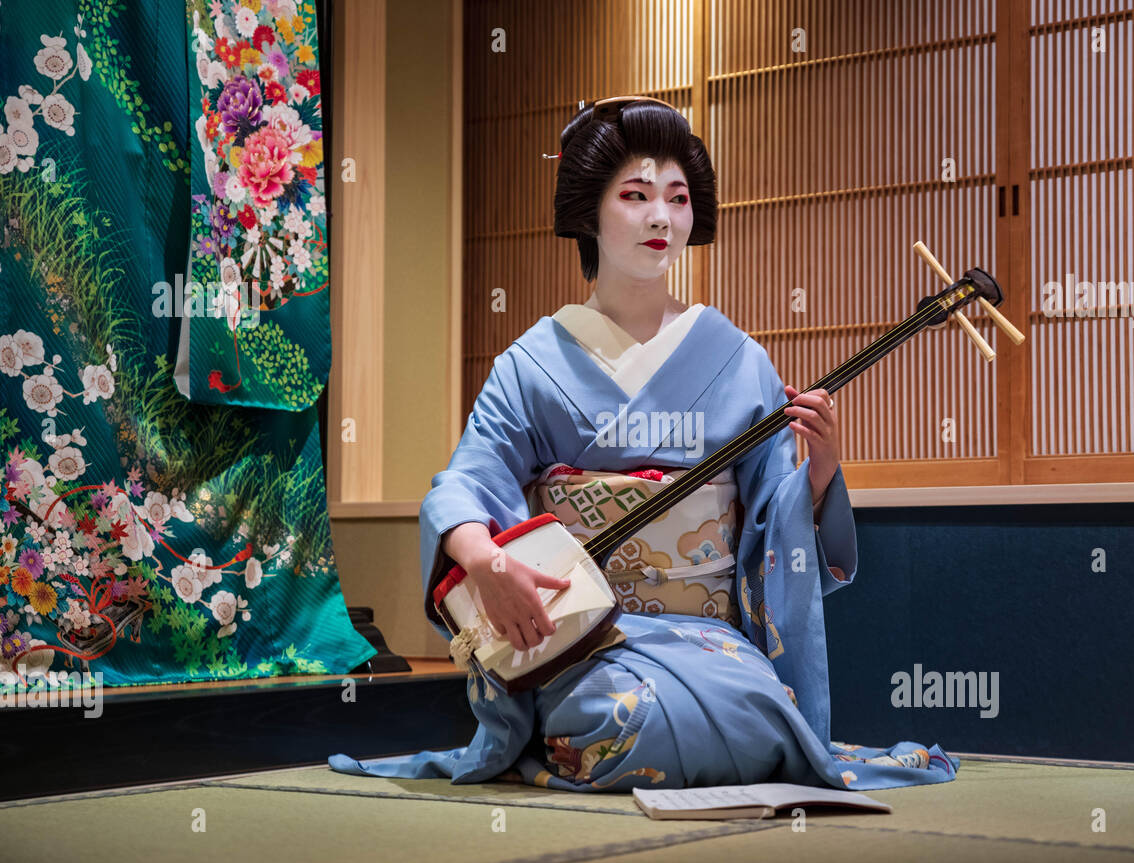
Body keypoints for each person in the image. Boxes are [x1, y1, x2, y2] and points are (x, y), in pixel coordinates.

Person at [329, 96, 959, 792]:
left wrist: (822, 470)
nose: (662, 218)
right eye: (635, 195)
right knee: (624, 717)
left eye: (677, 198)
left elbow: (774, 518)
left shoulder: (737, 357)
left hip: (710, 637)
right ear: (588, 213)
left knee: (760, 712)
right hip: (585, 639)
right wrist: (486, 561)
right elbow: (465, 482)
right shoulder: (533, 363)